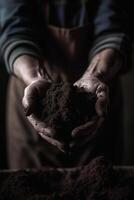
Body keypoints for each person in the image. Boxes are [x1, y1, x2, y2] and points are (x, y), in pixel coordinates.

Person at [0, 0, 129, 169]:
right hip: (31, 86)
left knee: (99, 180)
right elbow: (15, 29)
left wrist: (95, 75)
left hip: (97, 92)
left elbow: (113, 27)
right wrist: (35, 78)